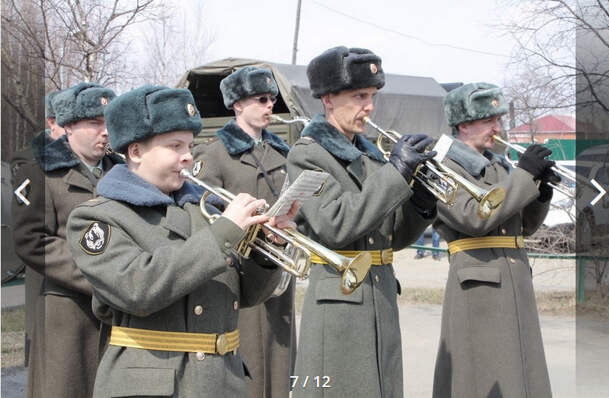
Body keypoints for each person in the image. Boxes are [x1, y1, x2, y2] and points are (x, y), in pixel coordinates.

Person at [67, 84, 297, 398]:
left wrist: (268, 250)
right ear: (136, 152)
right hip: (152, 386)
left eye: (189, 146)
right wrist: (224, 233)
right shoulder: (97, 217)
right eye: (175, 146)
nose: (188, 157)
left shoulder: (204, 209)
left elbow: (246, 294)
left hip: (223, 381)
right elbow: (137, 288)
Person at [287, 46, 437, 398]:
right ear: (327, 99)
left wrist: (421, 203)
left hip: (379, 299)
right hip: (339, 309)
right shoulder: (307, 154)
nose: (369, 106)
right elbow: (335, 224)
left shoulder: (370, 156)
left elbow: (393, 236)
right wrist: (395, 173)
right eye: (359, 96)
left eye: (372, 96)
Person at [432, 82, 556, 398]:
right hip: (478, 288)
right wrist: (524, 177)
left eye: (498, 120)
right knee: (480, 378)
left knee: (521, 378)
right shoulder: (441, 166)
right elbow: (474, 218)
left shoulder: (500, 165)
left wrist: (540, 193)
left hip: (515, 281)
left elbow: (523, 228)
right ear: (463, 124)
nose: (496, 128)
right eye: (489, 120)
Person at [11, 82, 122, 398]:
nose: (105, 132)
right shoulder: (40, 172)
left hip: (119, 311)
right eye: (95, 123)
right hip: (68, 312)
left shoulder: (123, 174)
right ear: (69, 126)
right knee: (66, 386)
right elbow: (32, 240)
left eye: (109, 123)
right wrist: (98, 274)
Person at [192, 66, 295, 398]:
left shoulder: (281, 152)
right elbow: (202, 214)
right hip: (238, 273)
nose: (270, 106)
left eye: (273, 100)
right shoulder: (215, 153)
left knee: (281, 363)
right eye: (261, 99)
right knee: (246, 359)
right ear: (237, 104)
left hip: (278, 266)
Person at [10, 89, 65, 391]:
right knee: (45, 358)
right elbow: (30, 236)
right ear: (51, 123)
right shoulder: (31, 162)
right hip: (45, 273)